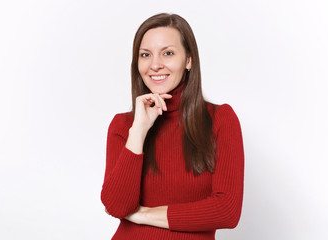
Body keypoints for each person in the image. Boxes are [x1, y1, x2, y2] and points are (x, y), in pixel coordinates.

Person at [101, 13, 244, 239]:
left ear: (188, 60)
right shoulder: (124, 125)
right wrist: (138, 130)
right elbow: (117, 206)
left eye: (168, 53)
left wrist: (143, 215)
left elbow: (227, 211)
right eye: (145, 55)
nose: (155, 65)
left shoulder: (220, 119)